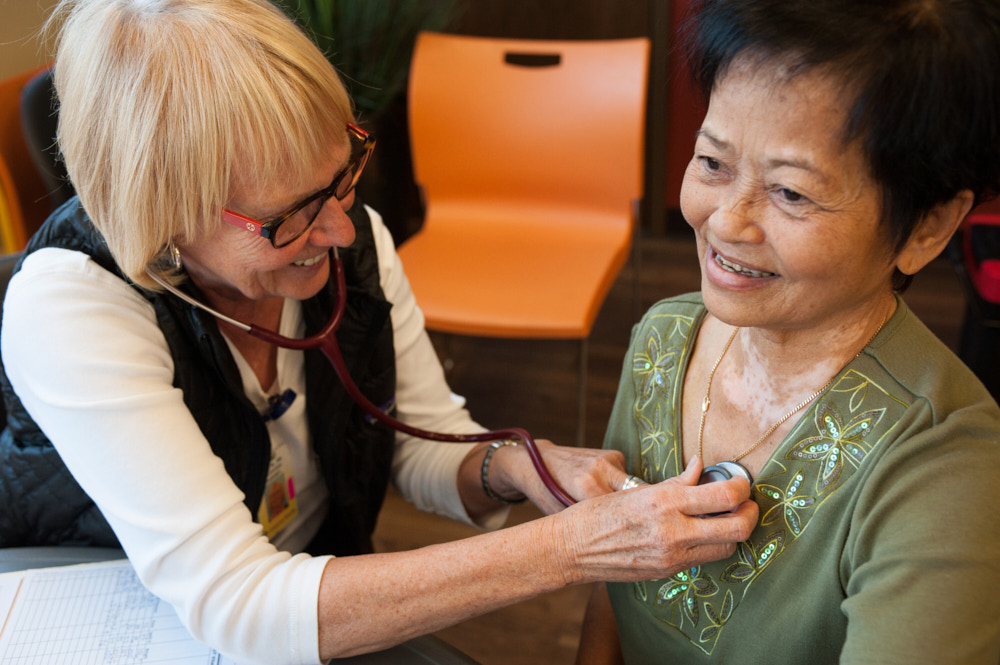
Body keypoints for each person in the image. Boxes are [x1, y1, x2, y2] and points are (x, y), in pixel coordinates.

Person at [0, 0, 760, 663]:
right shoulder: (72, 309)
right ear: (162, 215)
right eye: (289, 215)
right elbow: (238, 600)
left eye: (342, 173)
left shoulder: (346, 237)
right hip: (126, 620)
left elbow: (415, 436)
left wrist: (519, 465)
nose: (339, 228)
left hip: (310, 605)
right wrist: (568, 548)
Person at [576, 0, 1000, 663]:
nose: (725, 222)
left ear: (929, 227)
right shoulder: (663, 340)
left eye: (791, 194)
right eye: (713, 162)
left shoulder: (946, 465)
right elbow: (611, 579)